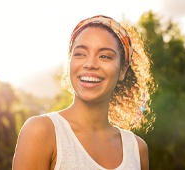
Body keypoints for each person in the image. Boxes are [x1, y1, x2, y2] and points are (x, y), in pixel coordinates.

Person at [12, 15, 156, 170]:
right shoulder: (41, 132)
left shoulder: (137, 149)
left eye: (104, 56)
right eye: (80, 53)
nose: (90, 64)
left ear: (122, 70)